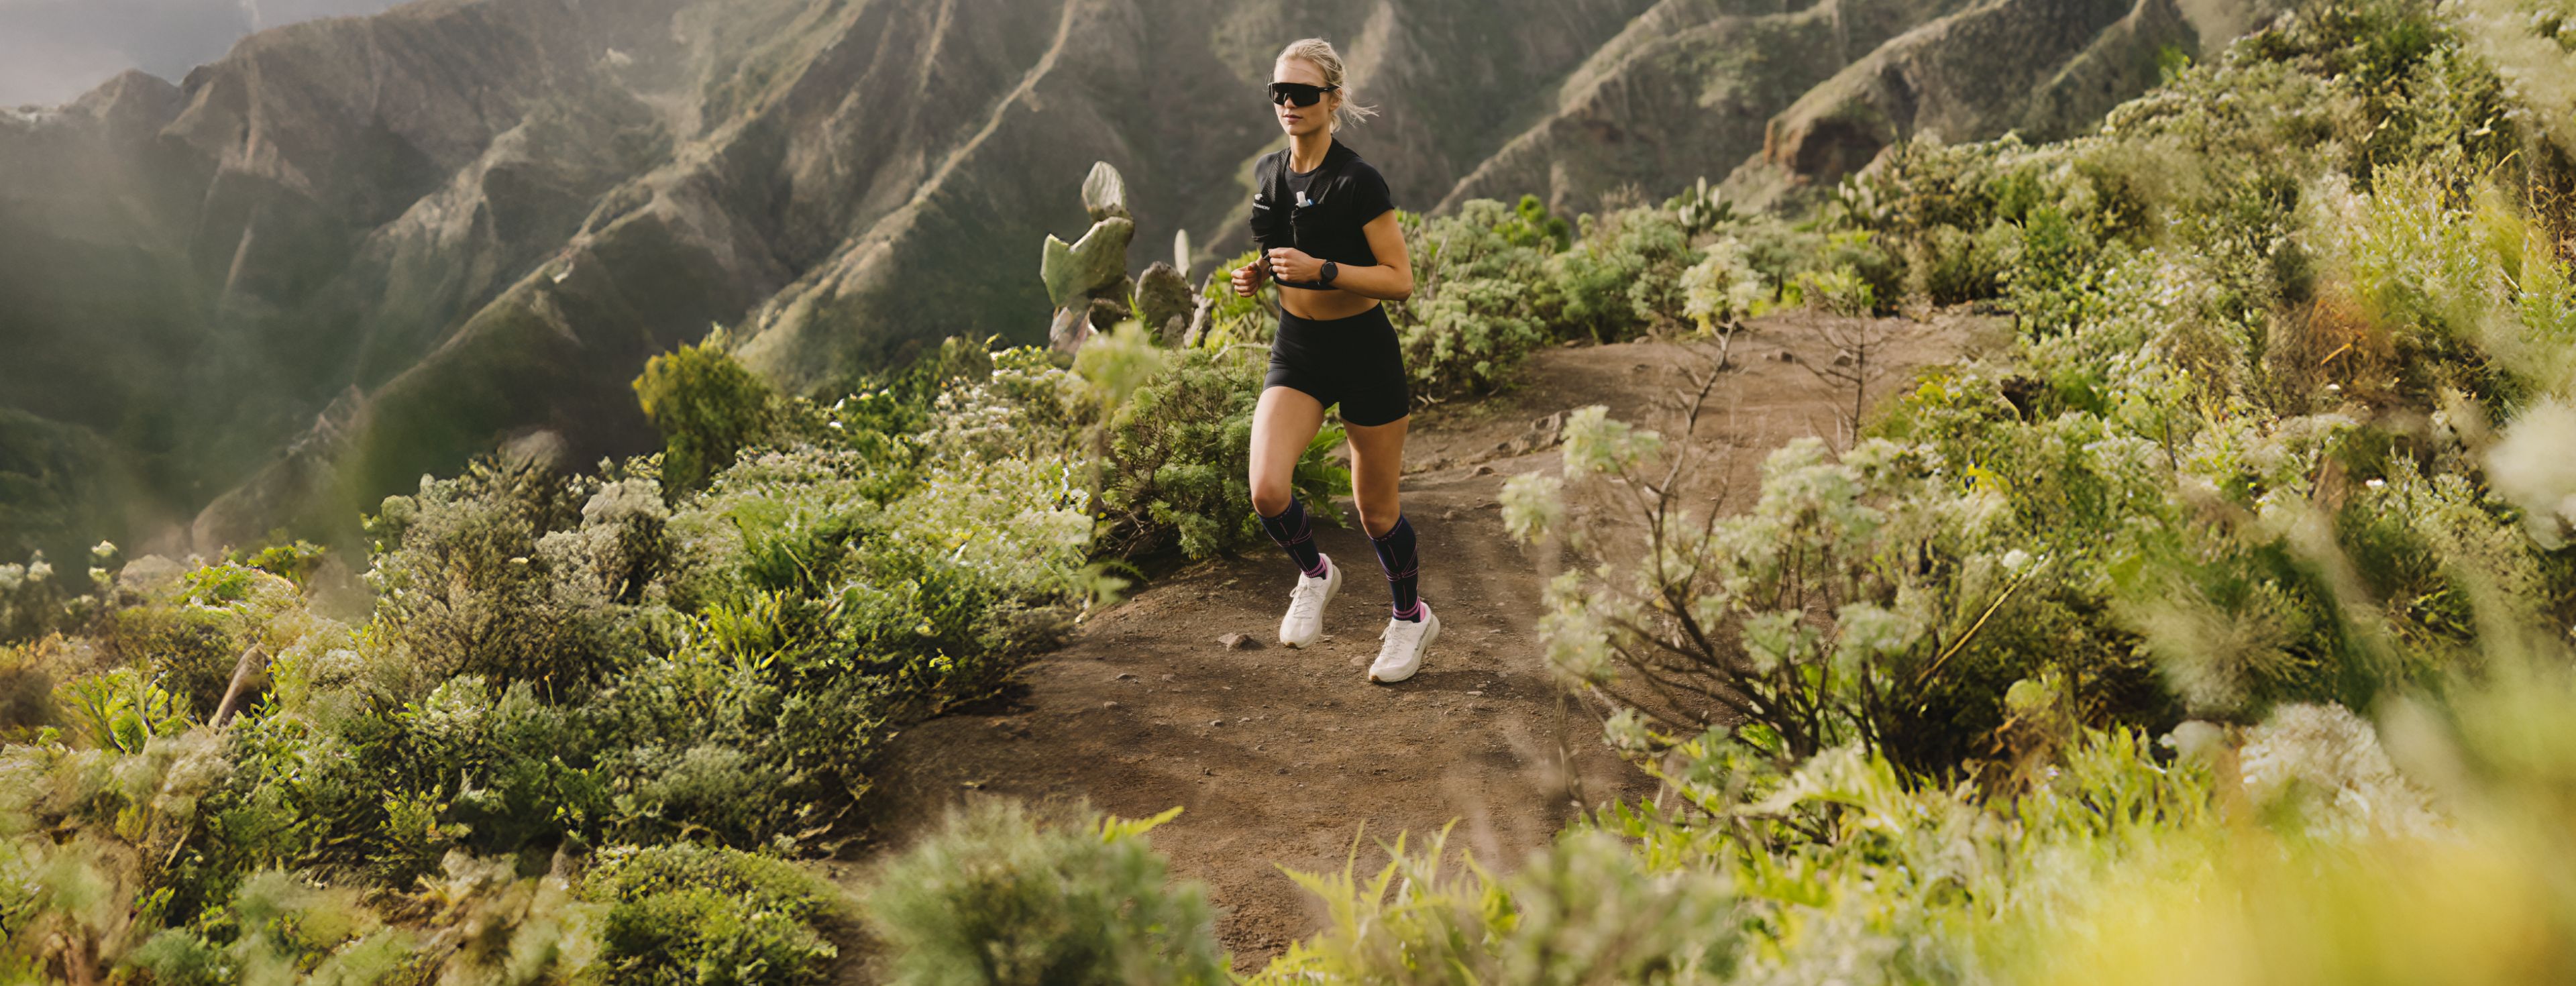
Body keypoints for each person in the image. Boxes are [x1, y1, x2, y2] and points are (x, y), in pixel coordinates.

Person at [1229, 38, 1436, 683]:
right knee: (1267, 490)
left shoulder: (1357, 180)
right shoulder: (1268, 174)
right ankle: (1316, 574)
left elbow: (1400, 280)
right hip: (1298, 348)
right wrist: (1259, 276)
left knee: (1376, 511)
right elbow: (1277, 250)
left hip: (1364, 351)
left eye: (1304, 93)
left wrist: (1325, 271)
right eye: (1279, 93)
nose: (1289, 104)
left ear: (1334, 99)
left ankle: (1410, 618)